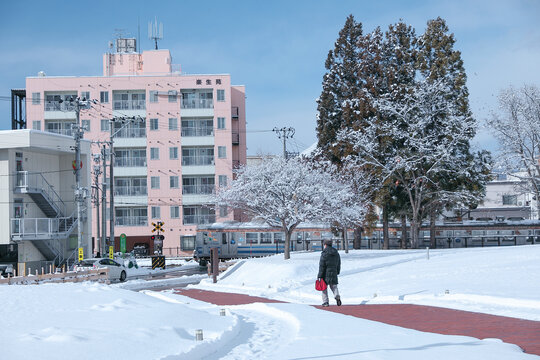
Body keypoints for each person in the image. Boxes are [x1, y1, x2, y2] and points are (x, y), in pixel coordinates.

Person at [317, 239, 341, 307]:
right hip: (334, 272)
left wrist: (320, 275)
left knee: (324, 288)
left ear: (325, 245)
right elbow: (338, 263)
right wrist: (337, 271)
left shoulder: (324, 253)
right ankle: (336, 295)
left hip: (325, 273)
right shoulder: (336, 253)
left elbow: (322, 265)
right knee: (334, 286)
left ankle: (326, 302)